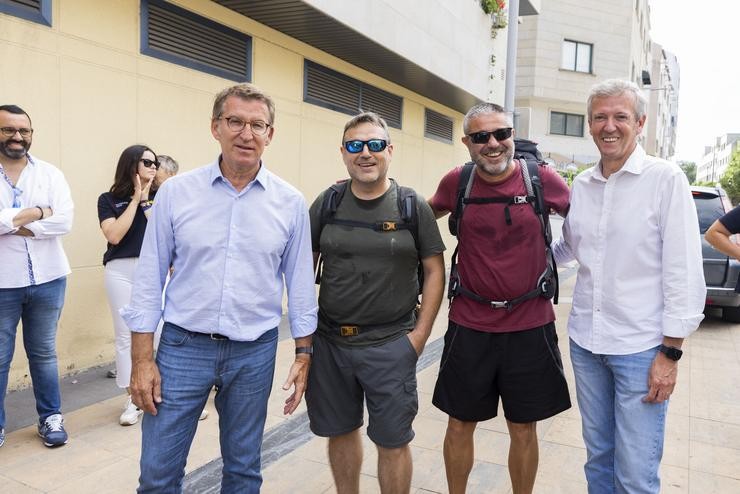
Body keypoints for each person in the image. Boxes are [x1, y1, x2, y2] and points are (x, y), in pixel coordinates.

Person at [121, 83, 317, 493]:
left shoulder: (290, 202)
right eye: (235, 122)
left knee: (244, 471)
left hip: (254, 352)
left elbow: (300, 286)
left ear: (270, 134)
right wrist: (142, 360)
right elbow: (148, 279)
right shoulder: (176, 193)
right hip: (181, 348)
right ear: (216, 127)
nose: (246, 133)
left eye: (257, 124)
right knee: (157, 474)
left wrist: (303, 354)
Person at [552, 79, 706, 493]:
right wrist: (508, 259)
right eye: (600, 117)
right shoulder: (582, 185)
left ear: (640, 123)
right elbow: (568, 247)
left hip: (641, 349)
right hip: (586, 343)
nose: (609, 126)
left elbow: (684, 270)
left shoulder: (665, 180)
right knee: (599, 459)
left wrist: (670, 352)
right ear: (589, 125)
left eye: (620, 116)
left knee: (635, 472)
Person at [429, 102, 571, 494]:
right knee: (459, 422)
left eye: (501, 134)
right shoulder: (458, 182)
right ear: (467, 143)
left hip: (530, 324)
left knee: (523, 426)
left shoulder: (540, 179)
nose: (492, 144)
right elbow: (420, 222)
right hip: (469, 325)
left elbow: (591, 225)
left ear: (512, 135)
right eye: (480, 137)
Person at [306, 112, 446, 494]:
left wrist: (418, 337)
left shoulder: (410, 206)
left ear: (389, 150)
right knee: (340, 431)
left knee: (393, 441)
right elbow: (301, 266)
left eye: (374, 144)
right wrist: (305, 343)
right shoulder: (329, 202)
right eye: (355, 146)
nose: (365, 153)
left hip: (390, 344)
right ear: (343, 153)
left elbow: (435, 270)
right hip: (332, 344)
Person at [0, 104, 74, 448]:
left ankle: (50, 418)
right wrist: (36, 212)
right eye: (8, 130)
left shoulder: (50, 174)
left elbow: (65, 221)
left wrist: (12, 224)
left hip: (49, 278)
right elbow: (50, 218)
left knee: (44, 354)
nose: (17, 137)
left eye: (23, 131)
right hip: (2, 283)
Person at [98, 145, 158, 426]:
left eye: (155, 162)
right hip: (120, 270)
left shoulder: (161, 197)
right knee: (125, 335)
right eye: (147, 162)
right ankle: (132, 398)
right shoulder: (108, 199)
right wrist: (134, 200)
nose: (153, 167)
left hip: (153, 269)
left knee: (159, 332)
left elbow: (162, 229)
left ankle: (158, 392)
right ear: (131, 164)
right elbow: (115, 235)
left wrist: (146, 200)